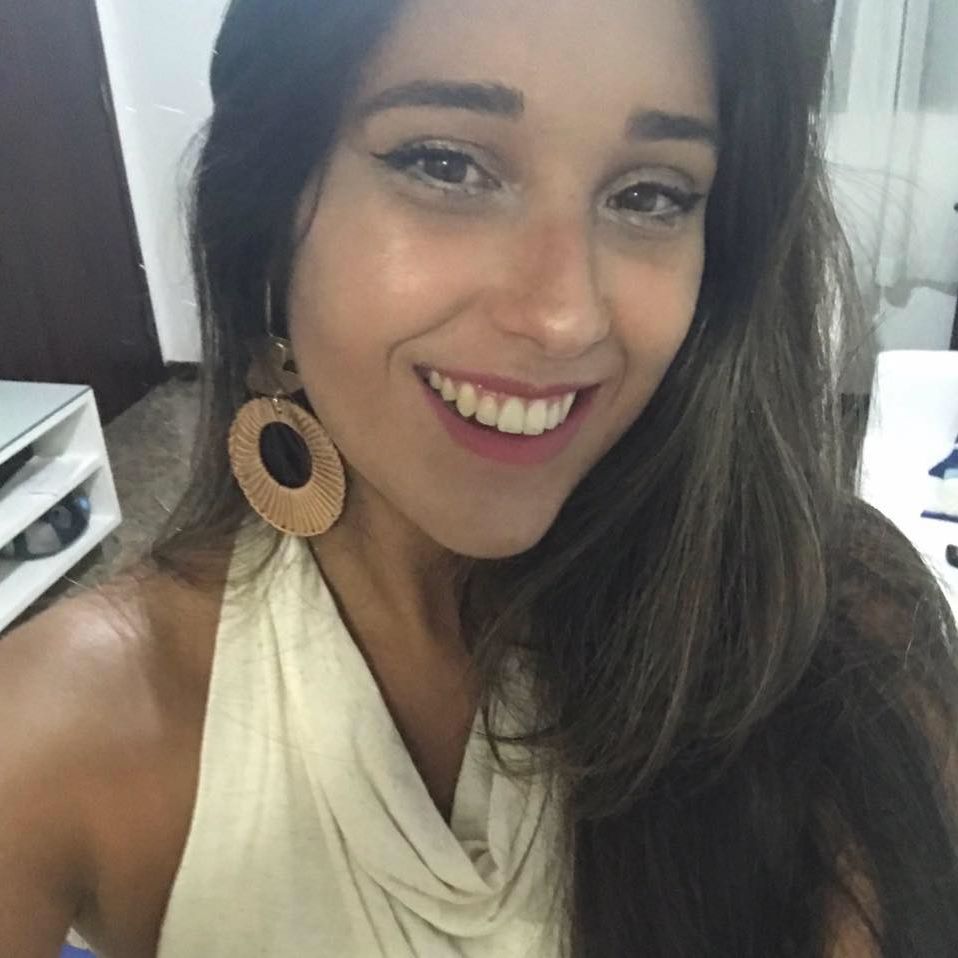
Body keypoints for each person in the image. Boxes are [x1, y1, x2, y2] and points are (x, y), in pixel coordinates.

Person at [2, 0, 957, 954]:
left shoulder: (835, 623)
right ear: (266, 223)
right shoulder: (66, 728)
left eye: (649, 195)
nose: (565, 317)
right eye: (446, 165)